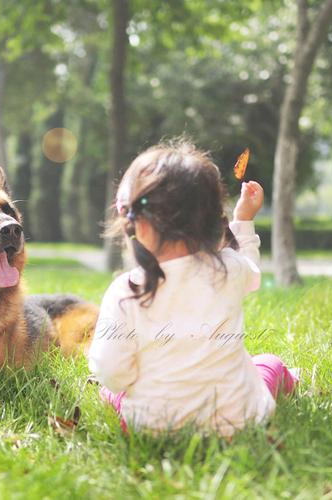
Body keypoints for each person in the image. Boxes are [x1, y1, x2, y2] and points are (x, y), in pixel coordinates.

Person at [87, 140, 298, 437]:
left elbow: (112, 372)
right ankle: (292, 381)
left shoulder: (126, 292)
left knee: (112, 393)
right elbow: (251, 269)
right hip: (241, 419)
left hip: (155, 426)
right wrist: (243, 221)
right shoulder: (228, 270)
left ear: (135, 221)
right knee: (268, 363)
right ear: (212, 220)